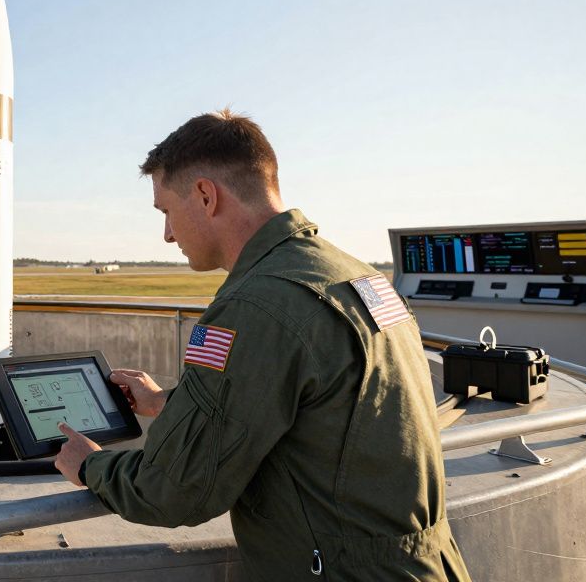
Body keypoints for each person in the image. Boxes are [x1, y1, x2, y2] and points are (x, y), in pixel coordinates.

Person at [53, 109, 470, 581]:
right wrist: (166, 402)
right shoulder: (354, 274)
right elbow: (314, 406)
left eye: (167, 212)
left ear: (206, 196)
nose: (167, 234)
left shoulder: (257, 304)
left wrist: (92, 466)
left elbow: (174, 490)